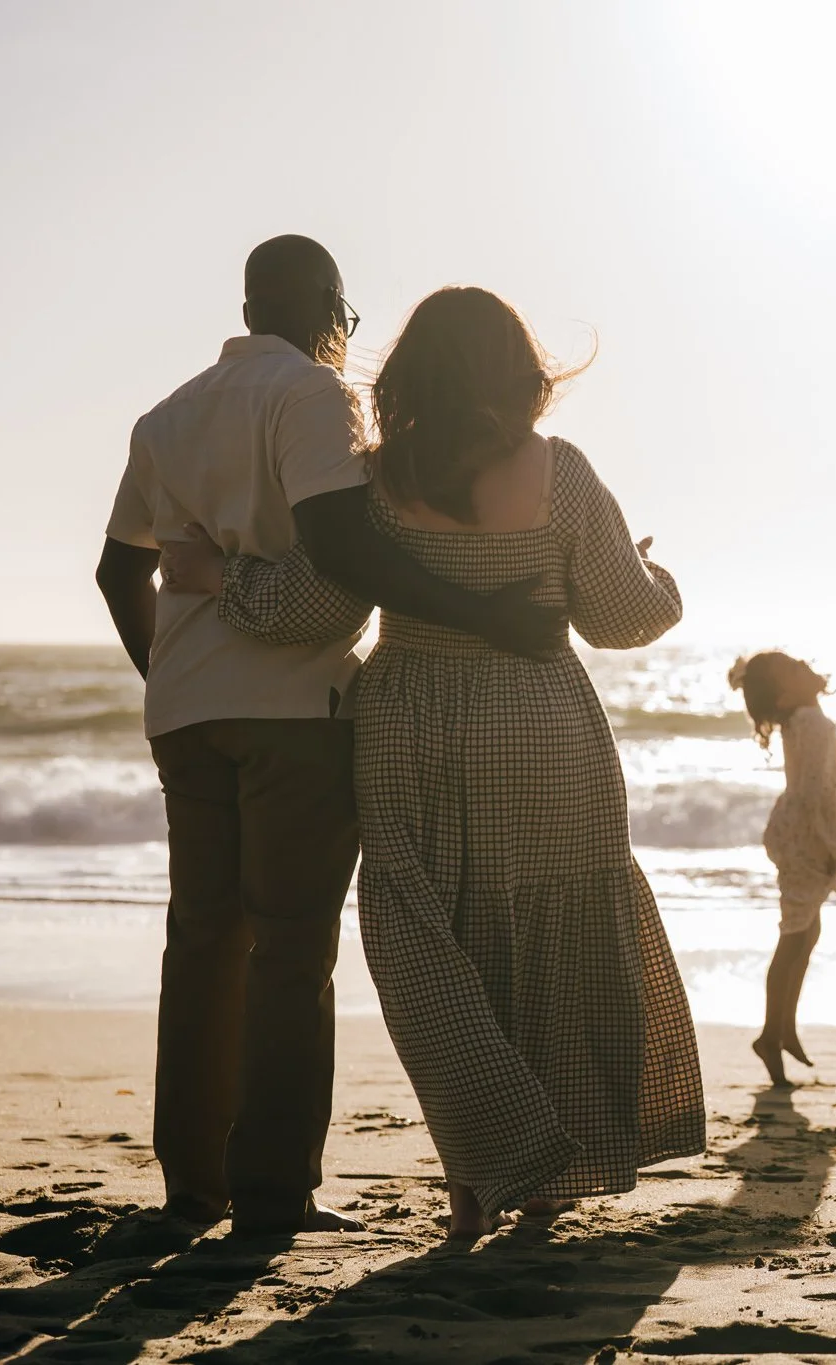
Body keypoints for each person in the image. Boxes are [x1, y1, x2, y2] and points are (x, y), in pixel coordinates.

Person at [160, 285, 705, 1239]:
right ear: (520, 373)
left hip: (409, 725)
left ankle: (478, 1175)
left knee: (434, 953)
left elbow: (310, 610)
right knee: (551, 938)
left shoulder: (375, 482)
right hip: (542, 727)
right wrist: (656, 571)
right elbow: (624, 617)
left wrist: (220, 575)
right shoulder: (562, 472)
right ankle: (544, 1173)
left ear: (411, 374)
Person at [96, 236, 557, 1237]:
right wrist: (487, 614)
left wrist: (169, 673)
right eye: (345, 317)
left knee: (202, 942)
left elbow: (116, 570)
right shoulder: (311, 394)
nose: (346, 335)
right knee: (290, 951)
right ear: (320, 307)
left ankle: (192, 1186)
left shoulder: (164, 416)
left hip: (187, 713)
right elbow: (346, 550)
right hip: (295, 712)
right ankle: (274, 1193)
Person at [727, 652, 836, 1086]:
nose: (803, 666)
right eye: (791, 669)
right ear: (784, 695)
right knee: (794, 935)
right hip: (806, 836)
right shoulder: (810, 722)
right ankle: (771, 1035)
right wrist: (830, 844)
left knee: (806, 931)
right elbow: (811, 793)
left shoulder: (804, 719)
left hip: (800, 831)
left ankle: (784, 1028)